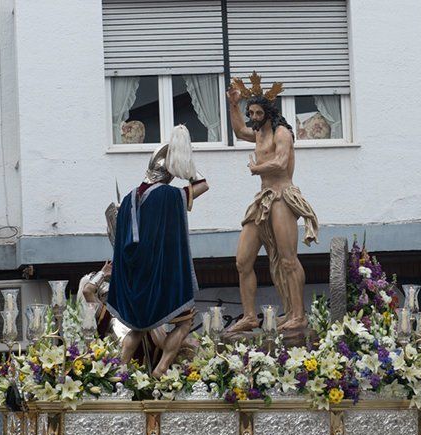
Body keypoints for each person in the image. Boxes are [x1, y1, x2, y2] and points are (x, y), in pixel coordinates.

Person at [108, 125, 209, 378]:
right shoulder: (166, 195)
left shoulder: (131, 196)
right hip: (159, 278)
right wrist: (187, 165)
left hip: (134, 281)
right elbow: (202, 185)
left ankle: (119, 371)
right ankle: (161, 368)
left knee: (138, 328)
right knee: (185, 321)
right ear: (169, 173)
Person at [226, 72, 318, 333]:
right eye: (250, 112)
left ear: (268, 111)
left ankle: (298, 315)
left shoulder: (282, 133)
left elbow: (280, 162)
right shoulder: (257, 133)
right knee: (242, 261)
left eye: (257, 113)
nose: (253, 118)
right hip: (263, 199)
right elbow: (237, 130)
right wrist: (233, 105)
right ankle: (249, 316)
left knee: (288, 259)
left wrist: (257, 168)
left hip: (282, 197)